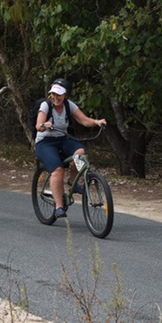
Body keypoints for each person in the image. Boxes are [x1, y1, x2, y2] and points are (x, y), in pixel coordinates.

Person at [34, 78, 107, 219]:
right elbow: (38, 125)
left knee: (80, 153)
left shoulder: (69, 105)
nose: (55, 98)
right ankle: (59, 207)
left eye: (59, 95)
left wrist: (97, 122)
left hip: (62, 138)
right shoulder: (45, 105)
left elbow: (84, 120)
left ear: (66, 95)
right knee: (58, 169)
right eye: (53, 94)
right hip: (45, 142)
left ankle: (72, 181)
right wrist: (45, 125)